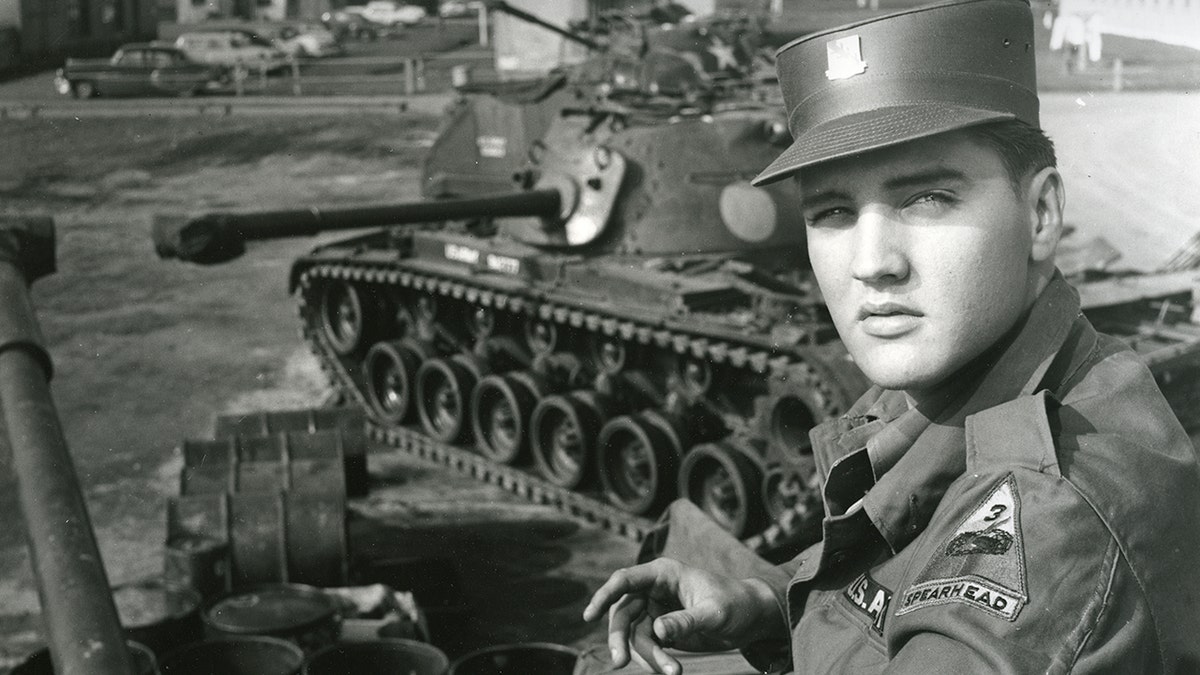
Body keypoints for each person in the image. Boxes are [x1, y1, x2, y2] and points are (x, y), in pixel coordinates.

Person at [581, 0, 1200, 672]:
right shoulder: (965, 383)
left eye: (927, 198)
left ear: (1042, 212)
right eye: (833, 210)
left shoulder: (1048, 523)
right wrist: (770, 603)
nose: (874, 262)